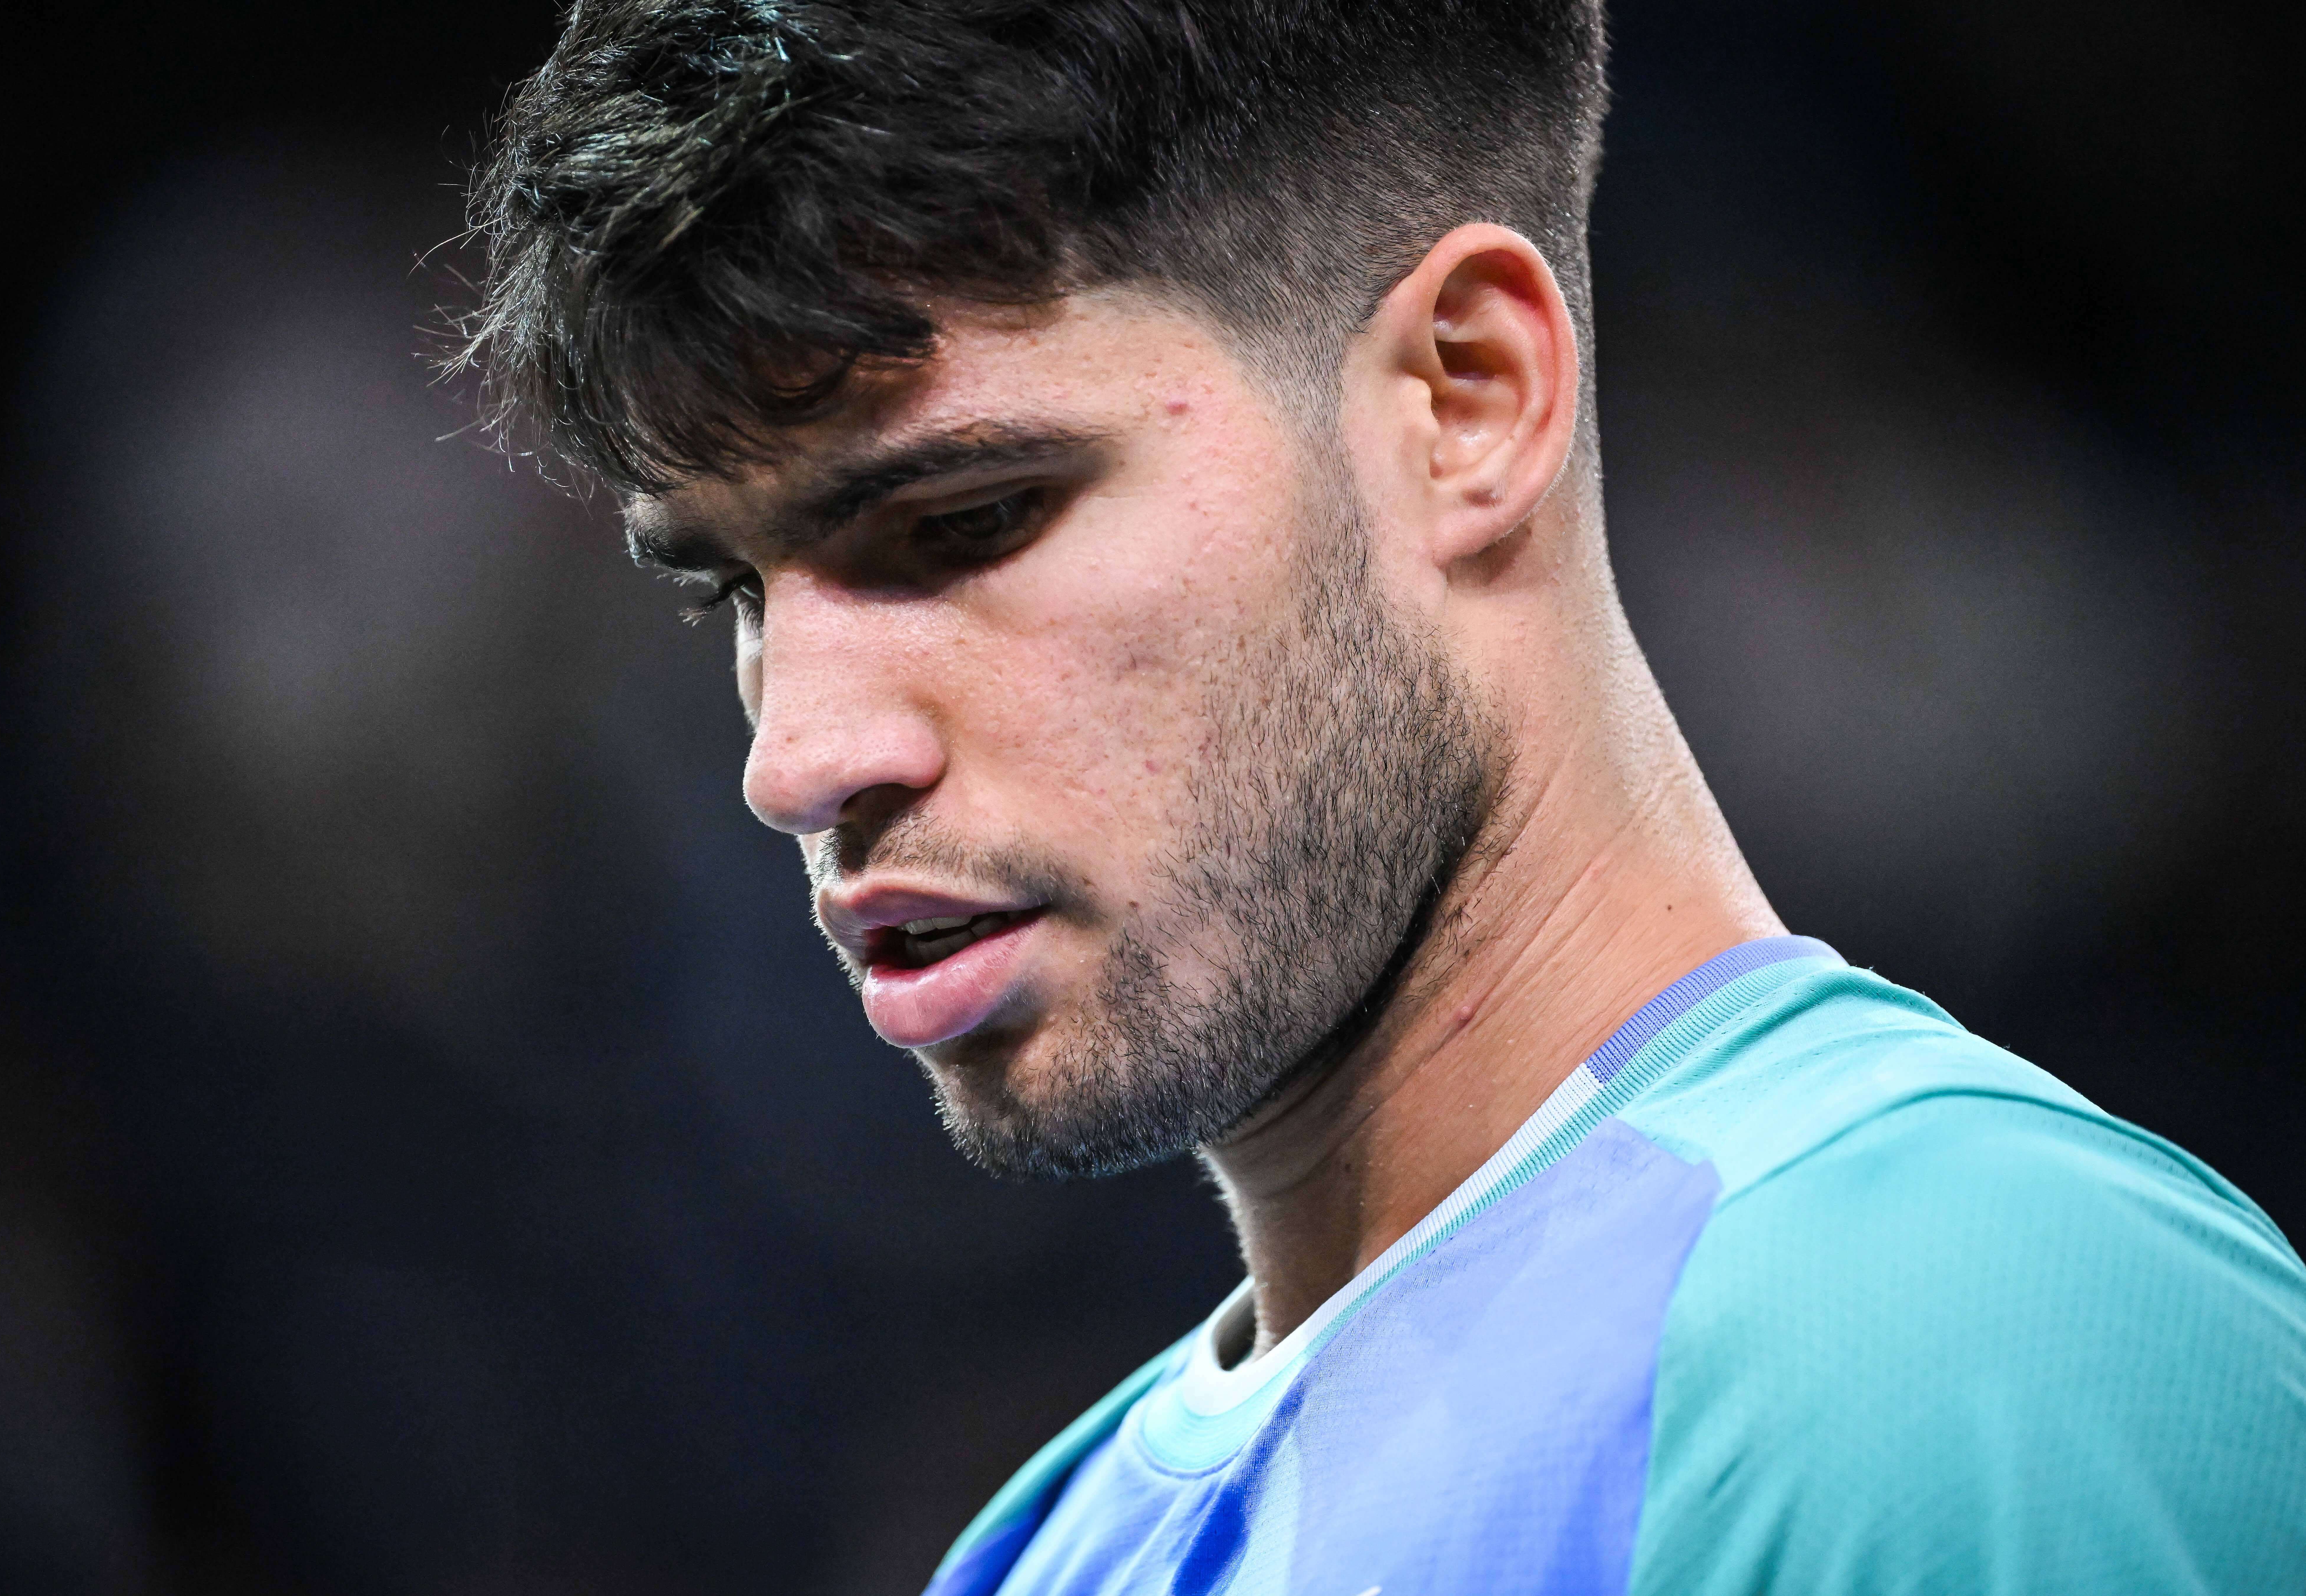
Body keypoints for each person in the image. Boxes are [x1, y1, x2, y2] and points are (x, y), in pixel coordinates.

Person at [452, 2, 2306, 1590]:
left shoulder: (1968, 1347)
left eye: (968, 520)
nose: (797, 758)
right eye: (733, 590)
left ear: (1462, 400)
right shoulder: (1038, 1554)